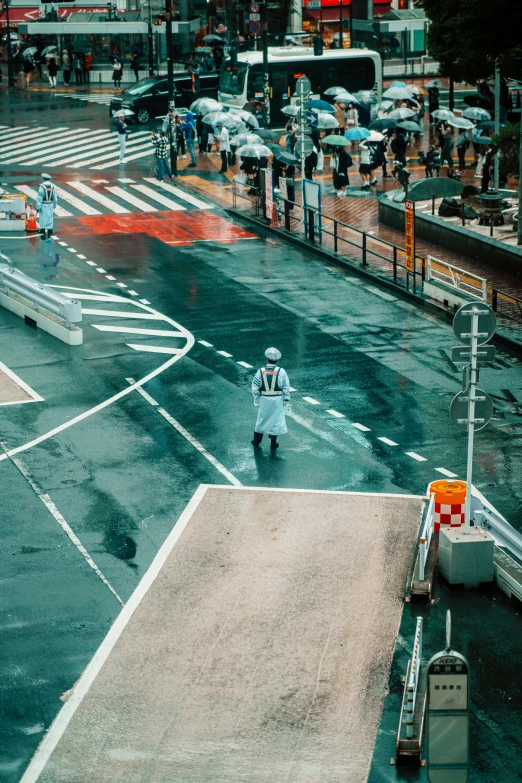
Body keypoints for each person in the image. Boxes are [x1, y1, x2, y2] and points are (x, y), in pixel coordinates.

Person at [251, 347, 291, 450]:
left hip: (264, 399)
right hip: (277, 400)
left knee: (261, 419)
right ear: (277, 360)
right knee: (276, 421)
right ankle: (273, 442)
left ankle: (256, 441)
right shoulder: (281, 372)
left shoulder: (260, 371)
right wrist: (285, 399)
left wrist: (257, 399)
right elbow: (286, 387)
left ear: (266, 359)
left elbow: (255, 387)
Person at [35, 173, 58, 239]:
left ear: (43, 179)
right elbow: (55, 197)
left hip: (44, 204)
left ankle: (42, 229)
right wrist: (54, 205)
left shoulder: (42, 187)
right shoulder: (52, 186)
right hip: (50, 204)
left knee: (42, 217)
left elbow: (40, 197)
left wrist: (38, 206)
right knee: (50, 217)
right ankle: (50, 230)